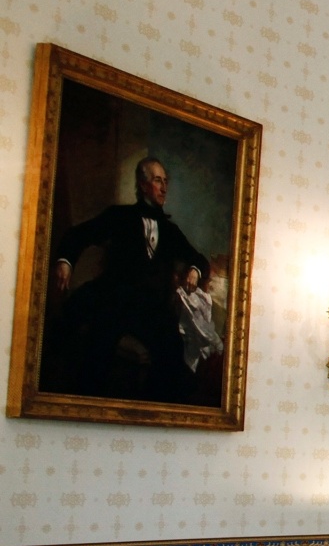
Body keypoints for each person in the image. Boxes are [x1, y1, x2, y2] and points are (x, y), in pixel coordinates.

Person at [44, 155, 212, 403]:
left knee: (172, 349)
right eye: (158, 180)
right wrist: (65, 261)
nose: (164, 187)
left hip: (150, 309)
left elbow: (198, 258)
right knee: (95, 348)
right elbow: (79, 234)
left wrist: (195, 270)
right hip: (114, 301)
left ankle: (153, 410)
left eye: (166, 181)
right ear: (143, 185)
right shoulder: (119, 216)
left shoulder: (170, 231)